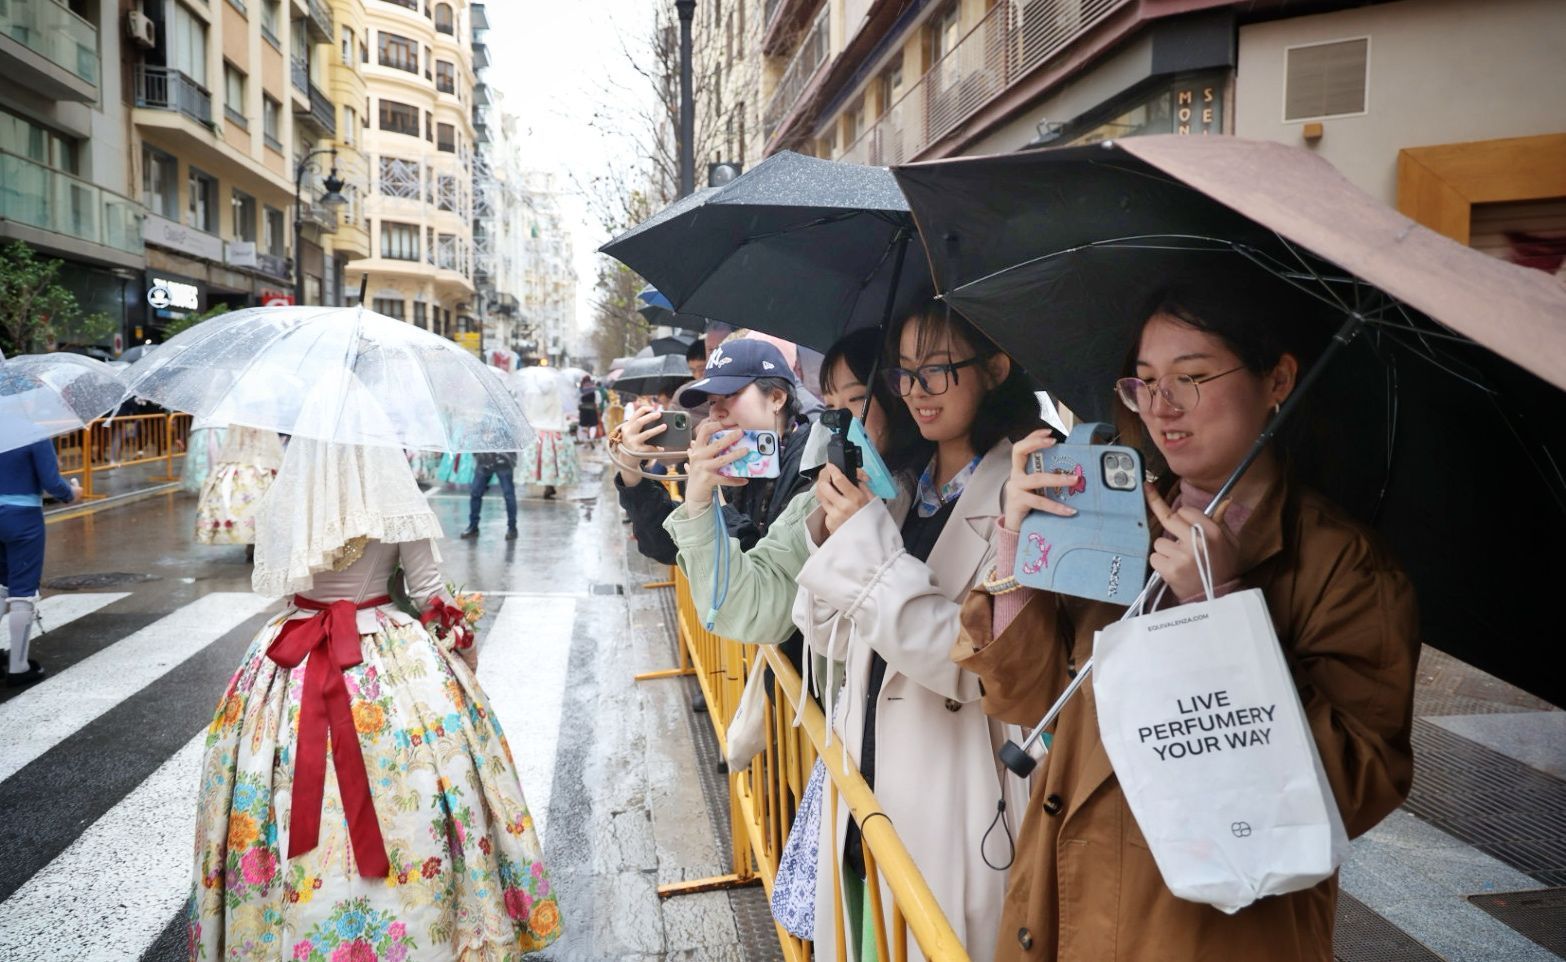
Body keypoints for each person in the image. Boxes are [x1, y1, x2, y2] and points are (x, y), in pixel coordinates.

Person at [953, 282, 1420, 961]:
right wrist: (1017, 554)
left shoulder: (1344, 567)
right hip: (1061, 911)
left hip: (1206, 932)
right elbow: (1024, 699)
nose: (1161, 407)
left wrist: (1221, 617)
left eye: (1193, 377)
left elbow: (1355, 787)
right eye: (1142, 383)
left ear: (1278, 379)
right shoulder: (1114, 516)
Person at [186, 439, 561, 959]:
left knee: (268, 786)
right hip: (388, 655)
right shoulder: (391, 490)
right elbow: (430, 590)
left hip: (289, 655)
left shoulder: (287, 495)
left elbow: (282, 587)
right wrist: (463, 648)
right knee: (422, 791)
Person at [791, 305, 1043, 962]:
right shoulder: (902, 489)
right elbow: (825, 636)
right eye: (904, 374)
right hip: (864, 784)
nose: (915, 392)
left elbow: (972, 665)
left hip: (954, 791)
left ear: (995, 369)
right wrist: (831, 533)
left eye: (937, 371)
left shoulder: (1025, 491)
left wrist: (869, 555)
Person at [616, 338, 812, 566]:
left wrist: (715, 506)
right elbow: (669, 546)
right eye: (711, 402)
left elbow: (764, 577)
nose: (717, 412)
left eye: (730, 395)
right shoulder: (736, 459)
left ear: (776, 398)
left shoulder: (811, 465)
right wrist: (631, 472)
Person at [0, 440, 80, 686]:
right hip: (23, 518)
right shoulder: (31, 432)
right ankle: (18, 667)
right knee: (23, 592)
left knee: (1, 585)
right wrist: (72, 492)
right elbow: (51, 482)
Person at [194, 425, 285, 557]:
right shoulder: (263, 418)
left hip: (249, 463)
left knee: (254, 504)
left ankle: (254, 544)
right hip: (255, 464)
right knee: (256, 504)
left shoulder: (241, 416)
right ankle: (254, 544)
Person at [511, 360, 579, 500]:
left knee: (538, 460)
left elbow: (528, 413)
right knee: (553, 460)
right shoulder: (556, 393)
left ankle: (539, 480)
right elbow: (560, 411)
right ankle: (550, 484)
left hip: (537, 431)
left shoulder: (532, 393)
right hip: (555, 431)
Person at [461, 450, 518, 539]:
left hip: (504, 458)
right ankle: (473, 526)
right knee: (475, 493)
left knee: (508, 494)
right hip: (484, 458)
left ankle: (512, 527)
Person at [577, 375, 601, 442]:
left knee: (583, 424)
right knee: (593, 424)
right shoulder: (593, 388)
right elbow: (598, 400)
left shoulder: (581, 388)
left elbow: (578, 399)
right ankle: (591, 438)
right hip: (592, 409)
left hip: (583, 409)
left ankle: (584, 440)